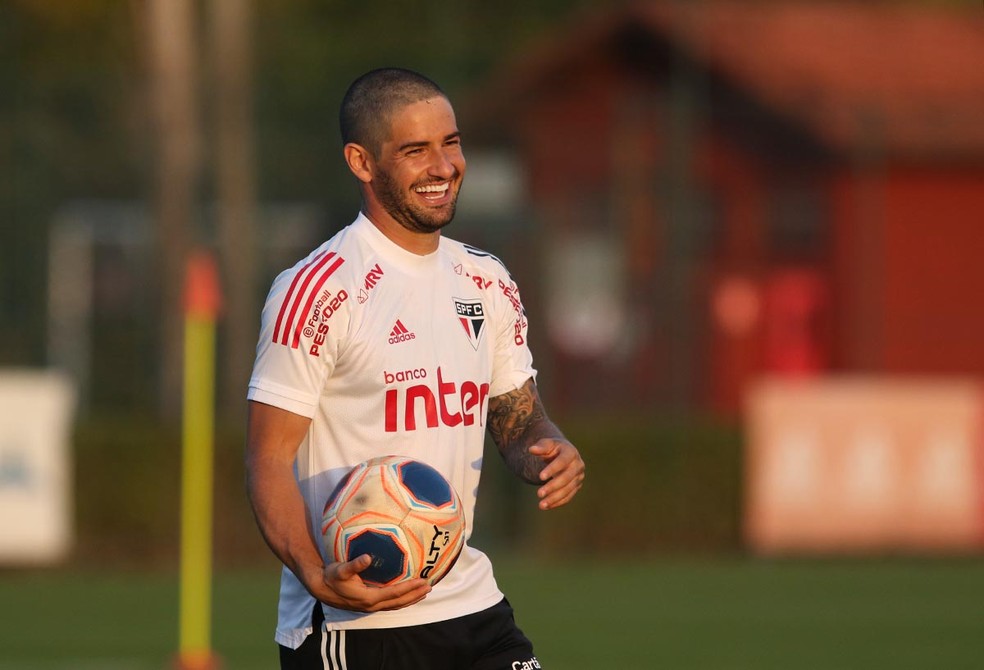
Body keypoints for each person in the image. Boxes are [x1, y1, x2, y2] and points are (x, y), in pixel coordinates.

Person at [245, 67, 585, 670]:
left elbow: (517, 418)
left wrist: (549, 450)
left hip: (472, 605)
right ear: (361, 162)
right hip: (357, 625)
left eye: (451, 142)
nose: (444, 166)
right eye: (415, 150)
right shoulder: (318, 290)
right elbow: (267, 458)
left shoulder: (486, 279)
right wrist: (316, 574)